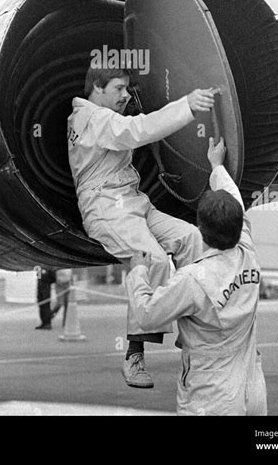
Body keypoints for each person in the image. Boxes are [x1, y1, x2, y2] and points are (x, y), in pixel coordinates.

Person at [67, 65, 214, 388]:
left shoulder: (98, 116)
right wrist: (187, 104)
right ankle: (134, 354)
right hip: (105, 207)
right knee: (153, 261)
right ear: (98, 88)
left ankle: (192, 330)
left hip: (133, 201)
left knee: (193, 239)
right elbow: (137, 131)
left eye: (127, 89)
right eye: (118, 89)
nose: (124, 95)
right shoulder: (91, 118)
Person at [126, 136, 267, 416]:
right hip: (252, 384)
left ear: (201, 230)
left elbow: (147, 314)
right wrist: (217, 167)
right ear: (239, 225)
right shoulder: (247, 252)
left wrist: (138, 272)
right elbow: (233, 197)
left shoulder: (193, 279)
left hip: (211, 394)